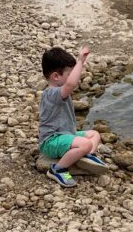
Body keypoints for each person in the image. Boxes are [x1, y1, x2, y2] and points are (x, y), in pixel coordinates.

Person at [38, 46, 103, 188]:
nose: (75, 77)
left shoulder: (58, 92)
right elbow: (71, 84)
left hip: (65, 135)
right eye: (70, 73)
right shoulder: (52, 94)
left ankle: (84, 155)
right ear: (56, 76)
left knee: (94, 134)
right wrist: (80, 61)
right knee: (86, 144)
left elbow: (69, 83)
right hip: (51, 141)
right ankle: (58, 169)